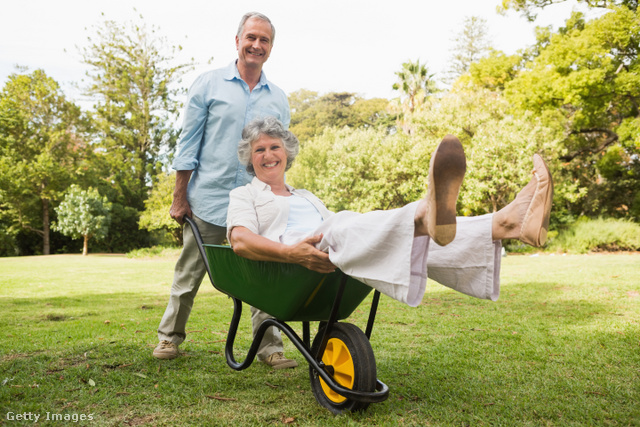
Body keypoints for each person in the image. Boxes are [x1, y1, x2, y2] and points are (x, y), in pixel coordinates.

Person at [226, 117, 553, 306]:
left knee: (368, 227)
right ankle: (426, 218)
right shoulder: (245, 194)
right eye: (259, 150)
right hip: (297, 252)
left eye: (275, 147)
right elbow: (239, 240)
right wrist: (289, 253)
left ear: (286, 153)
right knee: (345, 224)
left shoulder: (306, 195)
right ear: (250, 158)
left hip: (332, 242)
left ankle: (507, 225)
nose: (268, 155)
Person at [154, 12, 298, 369]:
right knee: (189, 273)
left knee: (263, 275)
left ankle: (270, 348)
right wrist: (179, 195)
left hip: (257, 202)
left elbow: (277, 154)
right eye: (251, 37)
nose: (256, 45)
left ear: (271, 48)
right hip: (210, 199)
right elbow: (188, 143)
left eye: (264, 40)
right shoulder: (208, 85)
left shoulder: (278, 98)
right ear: (237, 41)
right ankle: (169, 338)